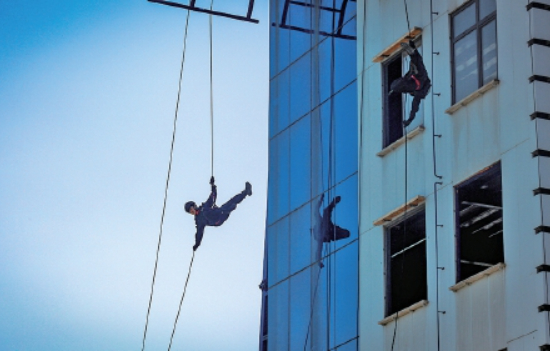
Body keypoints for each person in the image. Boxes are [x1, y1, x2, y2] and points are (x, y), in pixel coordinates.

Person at [185, 176, 252, 251]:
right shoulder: (199, 220)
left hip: (220, 212)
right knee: (207, 213)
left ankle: (246, 192)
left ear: (194, 206)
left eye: (191, 209)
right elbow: (199, 233)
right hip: (217, 220)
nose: (192, 212)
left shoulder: (204, 207)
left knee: (231, 202)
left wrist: (213, 186)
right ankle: (229, 208)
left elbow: (212, 197)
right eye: (190, 212)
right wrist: (197, 244)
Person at [389, 40, 431, 127]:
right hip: (417, 79)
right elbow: (414, 108)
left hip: (417, 77)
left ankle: (412, 53)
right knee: (417, 63)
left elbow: (414, 108)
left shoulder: (417, 92)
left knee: (418, 63)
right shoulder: (418, 93)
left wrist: (409, 120)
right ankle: (412, 53)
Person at [313, 194, 350, 268]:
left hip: (329, 230)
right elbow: (318, 251)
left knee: (326, 212)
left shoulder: (319, 223)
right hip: (329, 233)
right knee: (326, 212)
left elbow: (316, 211)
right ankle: (334, 202)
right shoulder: (319, 237)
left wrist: (321, 199)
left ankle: (334, 202)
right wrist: (318, 262)